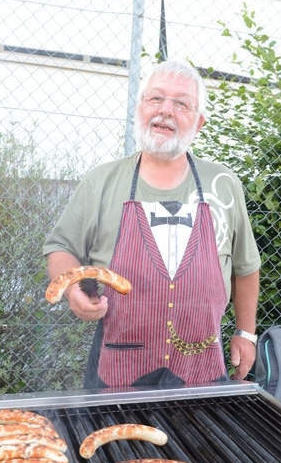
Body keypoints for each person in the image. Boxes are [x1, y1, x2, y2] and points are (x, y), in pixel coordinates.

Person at [43, 60, 260, 389]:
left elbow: (245, 267)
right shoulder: (102, 181)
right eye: (156, 98)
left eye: (181, 103)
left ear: (199, 123)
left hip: (202, 365)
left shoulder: (223, 185)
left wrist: (246, 333)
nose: (166, 110)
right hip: (118, 366)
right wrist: (72, 287)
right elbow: (62, 247)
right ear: (139, 109)